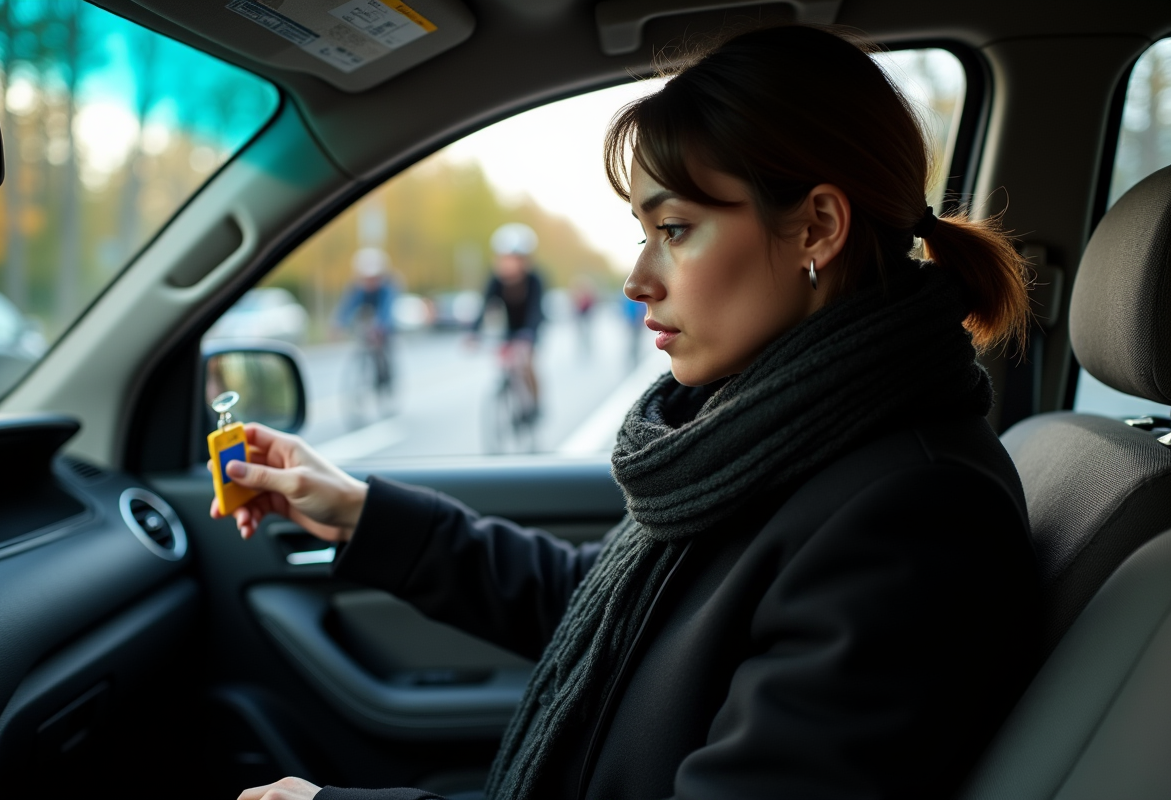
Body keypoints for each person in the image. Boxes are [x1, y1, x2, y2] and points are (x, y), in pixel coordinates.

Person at [219, 25, 1039, 800]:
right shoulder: (765, 435)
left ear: (817, 228)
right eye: (643, 231)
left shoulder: (914, 514)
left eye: (675, 229)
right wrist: (363, 514)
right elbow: (615, 619)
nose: (637, 278)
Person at [470, 223, 544, 413]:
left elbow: (535, 311)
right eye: (504, 258)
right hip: (509, 328)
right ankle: (509, 392)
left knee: (526, 362)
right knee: (505, 360)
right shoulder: (495, 281)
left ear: (524, 261)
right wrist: (473, 333)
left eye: (513, 258)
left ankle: (535, 404)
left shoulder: (534, 281)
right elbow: (483, 307)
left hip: (531, 326)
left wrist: (528, 336)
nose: (507, 263)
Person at [333, 248, 397, 410]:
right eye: (366, 278)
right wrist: (338, 324)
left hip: (383, 323)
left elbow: (386, 310)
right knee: (363, 338)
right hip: (366, 321)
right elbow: (347, 307)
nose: (370, 282)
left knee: (384, 349)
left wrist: (381, 328)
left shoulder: (387, 289)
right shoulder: (357, 288)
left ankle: (386, 381)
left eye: (373, 278)